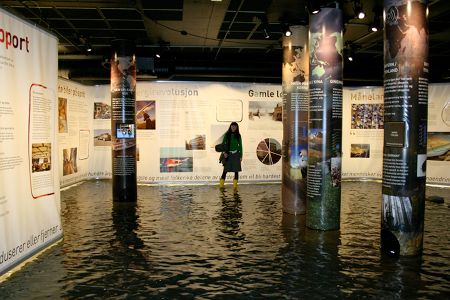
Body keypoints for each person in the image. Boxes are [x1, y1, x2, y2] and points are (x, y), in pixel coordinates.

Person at [219, 122, 243, 188]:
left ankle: (235, 188)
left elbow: (240, 146)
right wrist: (224, 153)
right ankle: (221, 187)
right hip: (228, 155)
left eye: (235, 126)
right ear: (230, 127)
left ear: (237, 127)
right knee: (225, 171)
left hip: (236, 155)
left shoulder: (238, 135)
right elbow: (223, 144)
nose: (233, 128)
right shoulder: (227, 135)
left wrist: (241, 156)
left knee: (236, 171)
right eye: (232, 126)